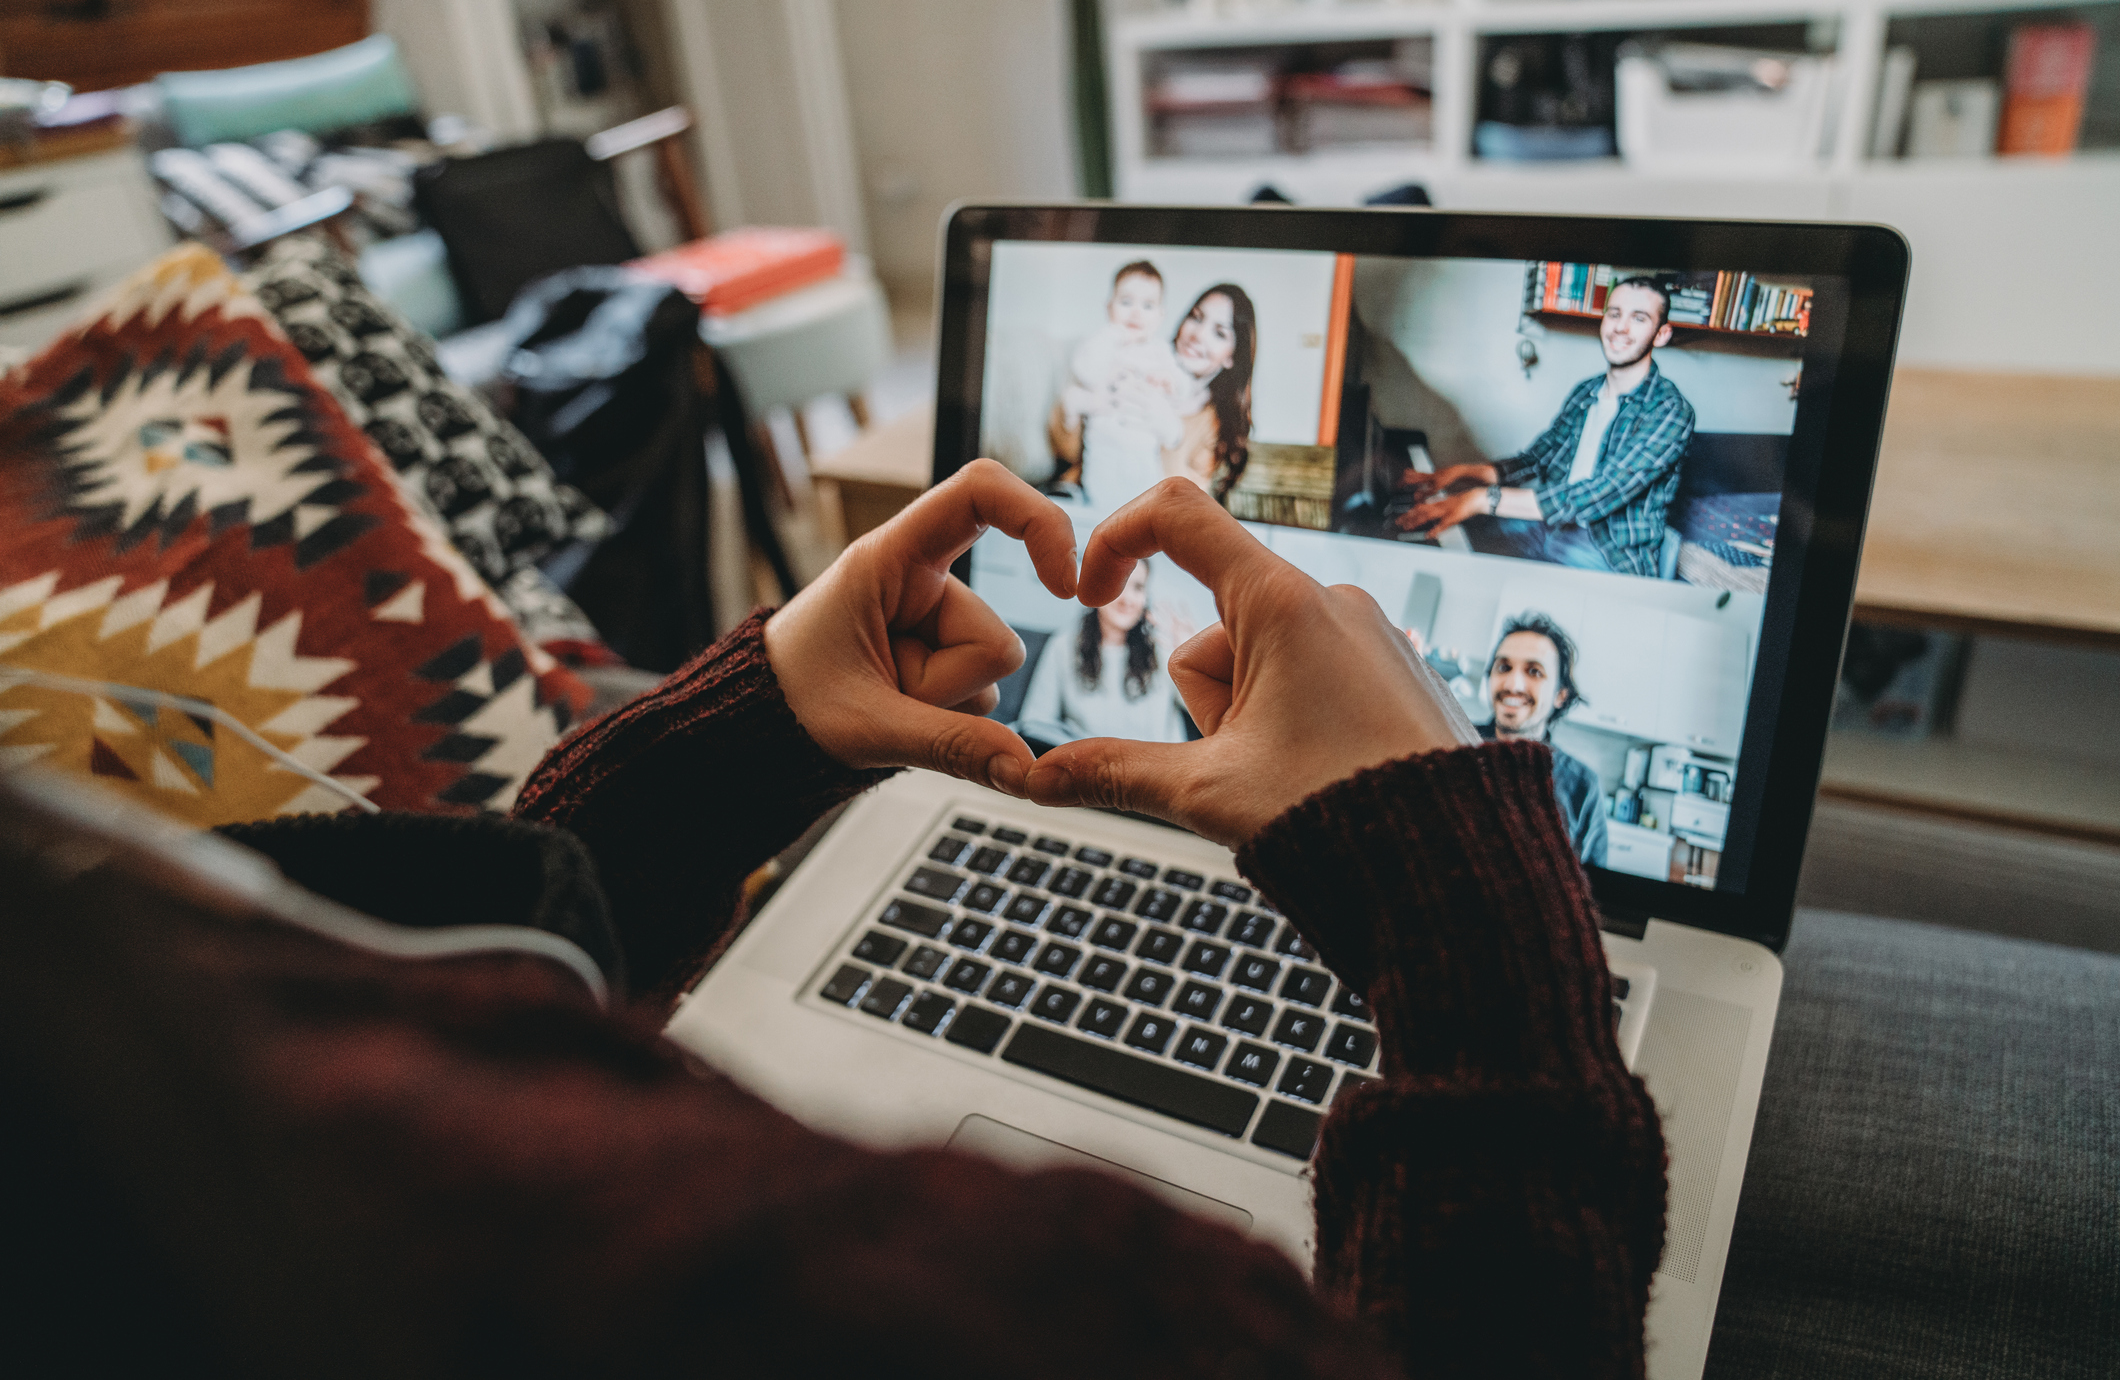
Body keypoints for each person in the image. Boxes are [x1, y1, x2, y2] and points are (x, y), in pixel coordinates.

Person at [4, 466, 1664, 1379]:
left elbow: (443, 1028)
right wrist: (1479, 948)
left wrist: (696, 768)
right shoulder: (1018, 1298)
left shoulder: (146, 1100)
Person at [1396, 274, 1696, 578]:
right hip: (1548, 525)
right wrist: (1463, 473)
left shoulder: (1671, 412)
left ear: (1661, 334)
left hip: (1608, 551)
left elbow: (1594, 496)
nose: (1620, 327)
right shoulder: (1586, 392)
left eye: (1639, 318)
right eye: (1614, 313)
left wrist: (1481, 499)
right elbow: (1535, 460)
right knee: (1456, 547)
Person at [1051, 282, 1257, 504]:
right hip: (1079, 498)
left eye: (1219, 333)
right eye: (1196, 318)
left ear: (1231, 356)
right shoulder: (1139, 359)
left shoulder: (1211, 423)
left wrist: (1169, 433)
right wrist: (1073, 410)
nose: (1198, 335)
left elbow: (1184, 504)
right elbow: (1068, 453)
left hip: (1142, 518)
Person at [1015, 557, 1192, 746]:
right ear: (1095, 589)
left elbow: (1208, 712)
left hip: (1157, 770)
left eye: (1138, 587)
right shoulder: (1064, 646)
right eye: (1119, 585)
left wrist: (1194, 658)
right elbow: (1034, 723)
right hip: (1091, 770)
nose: (1128, 599)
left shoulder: (1162, 648)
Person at [1480, 613, 1608, 868]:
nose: (1513, 684)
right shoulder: (1449, 743)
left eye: (1534, 672)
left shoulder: (1582, 785)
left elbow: (1592, 889)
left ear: (1560, 695)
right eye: (1503, 667)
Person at [1062, 260, 1188, 511]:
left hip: (1143, 453)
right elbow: (1084, 370)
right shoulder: (1102, 344)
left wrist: (1169, 381)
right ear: (1109, 307)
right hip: (1103, 448)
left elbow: (1182, 388)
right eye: (1126, 302)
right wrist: (1110, 335)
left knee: (1144, 508)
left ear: (1160, 316)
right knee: (1101, 507)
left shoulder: (1160, 352)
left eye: (1148, 305)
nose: (1136, 313)